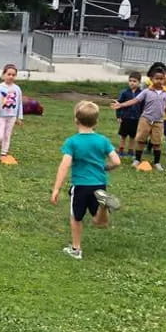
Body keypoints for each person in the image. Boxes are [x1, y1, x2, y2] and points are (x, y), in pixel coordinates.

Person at [50, 101, 122, 260]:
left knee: (76, 217)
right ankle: (103, 207)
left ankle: (76, 249)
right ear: (96, 122)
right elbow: (117, 161)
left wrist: (56, 188)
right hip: (99, 184)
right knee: (99, 222)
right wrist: (106, 168)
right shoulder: (102, 140)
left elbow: (65, 166)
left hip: (81, 186)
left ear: (76, 120)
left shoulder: (72, 142)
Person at [111, 67, 166, 171]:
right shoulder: (146, 92)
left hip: (158, 121)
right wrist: (121, 105)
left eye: (161, 79)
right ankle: (137, 159)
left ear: (164, 79)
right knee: (141, 140)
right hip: (145, 120)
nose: (159, 81)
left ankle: (156, 162)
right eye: (157, 78)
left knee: (157, 143)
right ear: (151, 79)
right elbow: (134, 100)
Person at [0, 63, 23, 164]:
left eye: (13, 75)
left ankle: (4, 154)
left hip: (12, 116)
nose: (11, 76)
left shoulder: (17, 89)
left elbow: (19, 103)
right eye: (9, 74)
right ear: (4, 75)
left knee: (7, 136)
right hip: (1, 116)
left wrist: (19, 117)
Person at [115, 71, 143, 158]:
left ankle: (131, 151)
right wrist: (119, 116)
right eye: (130, 81)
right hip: (125, 117)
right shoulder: (124, 92)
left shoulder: (142, 93)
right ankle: (121, 150)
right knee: (123, 135)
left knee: (133, 136)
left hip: (136, 118)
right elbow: (118, 104)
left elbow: (143, 106)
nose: (132, 83)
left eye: (134, 81)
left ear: (139, 82)